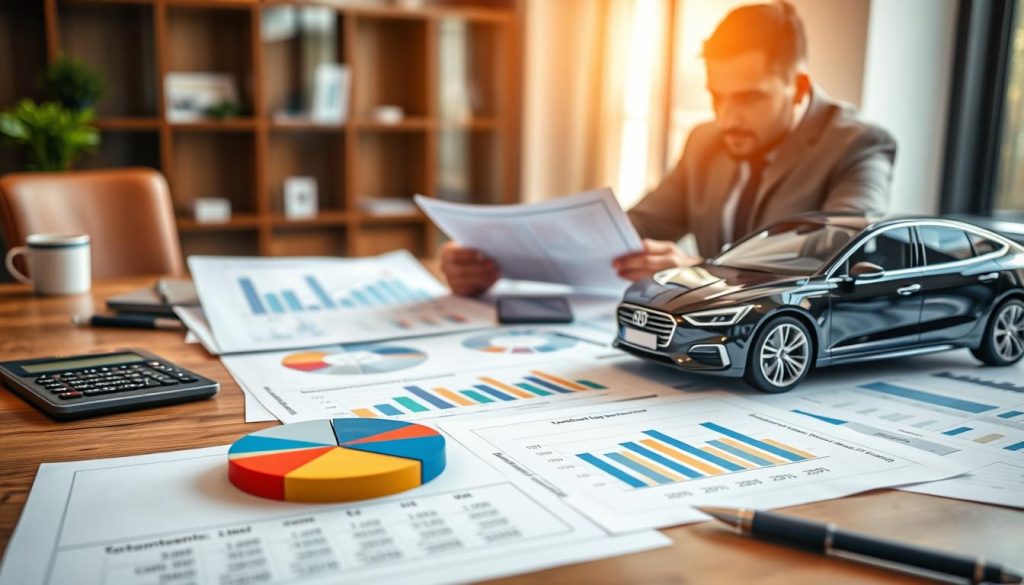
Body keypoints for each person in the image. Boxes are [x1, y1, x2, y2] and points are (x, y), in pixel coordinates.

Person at [441, 0, 896, 296]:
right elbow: (631, 230)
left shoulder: (858, 144)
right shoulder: (706, 142)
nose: (727, 117)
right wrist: (494, 257)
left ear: (797, 87)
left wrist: (700, 268)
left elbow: (844, 258)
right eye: (717, 95)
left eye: (749, 98)